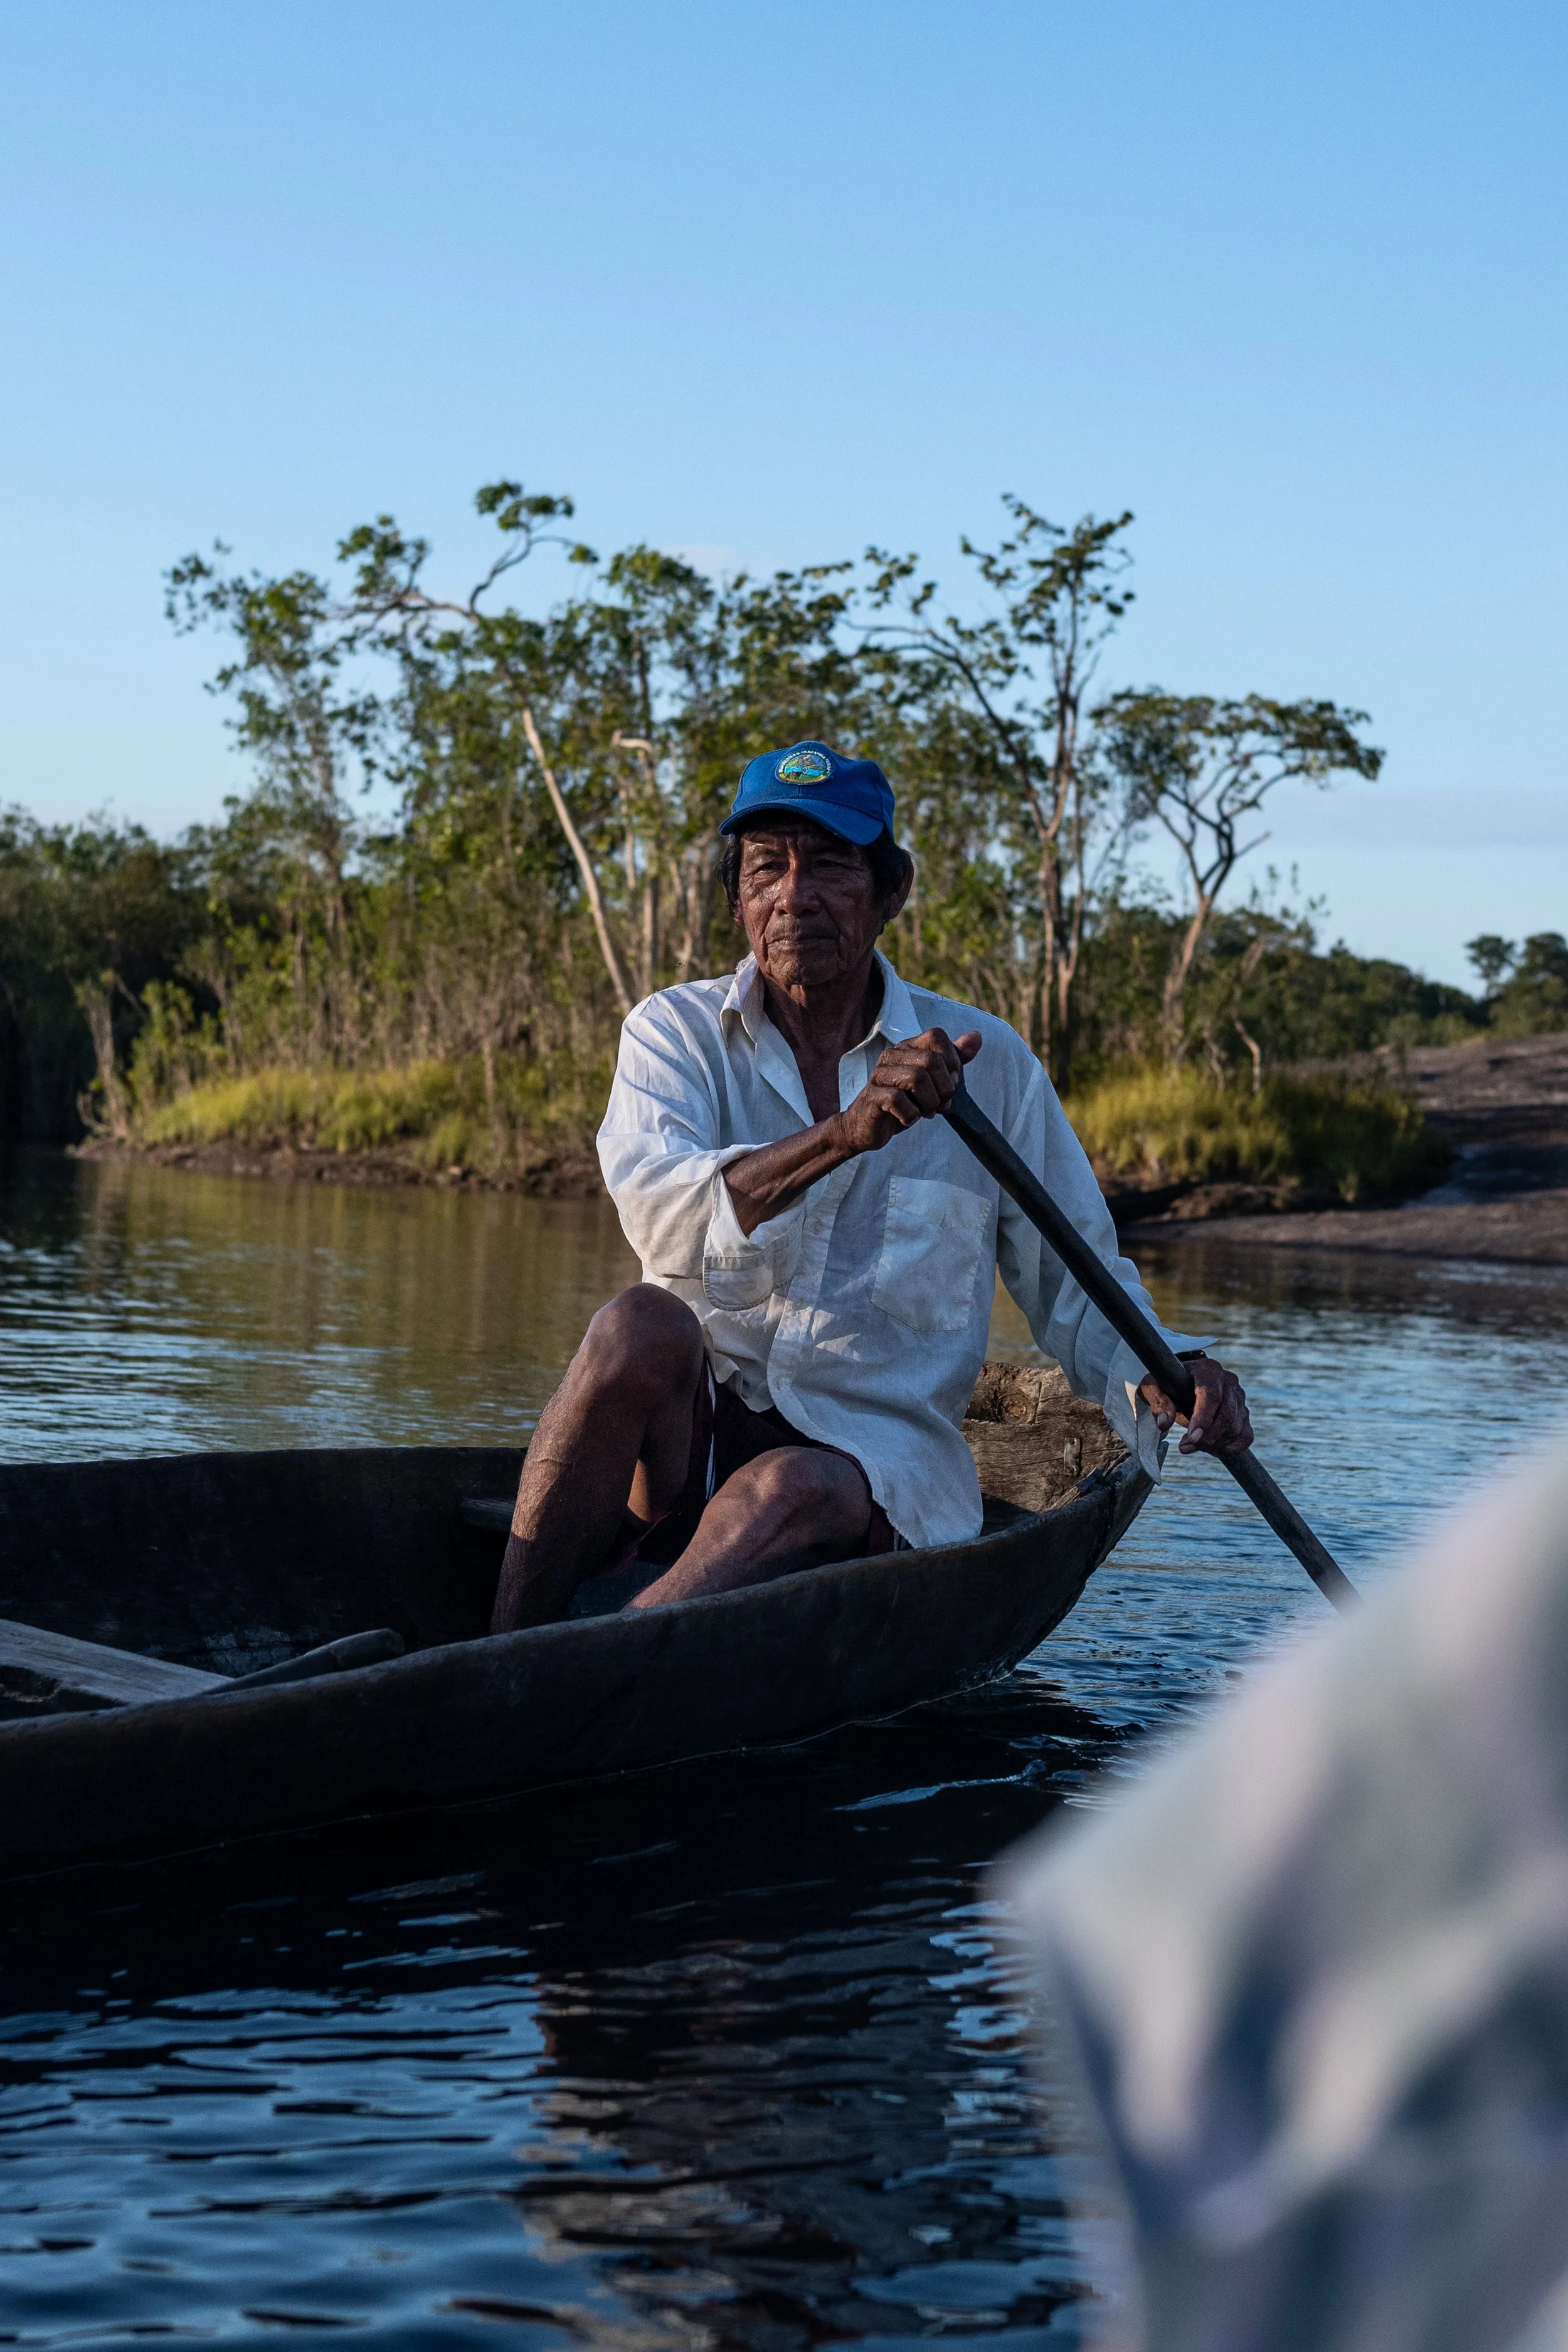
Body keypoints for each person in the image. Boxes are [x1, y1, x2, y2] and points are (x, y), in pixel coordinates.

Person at [491, 739, 1252, 1633]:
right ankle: (500, 1645)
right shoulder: (673, 1033)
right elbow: (669, 1225)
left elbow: (1075, 1276)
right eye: (768, 867)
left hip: (874, 1464)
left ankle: (587, 1665)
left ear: (891, 891)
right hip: (693, 1442)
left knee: (791, 1483)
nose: (795, 896)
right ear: (736, 896)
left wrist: (1170, 1369)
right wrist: (845, 1135)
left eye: (832, 867)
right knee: (635, 1326)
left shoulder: (986, 1065)